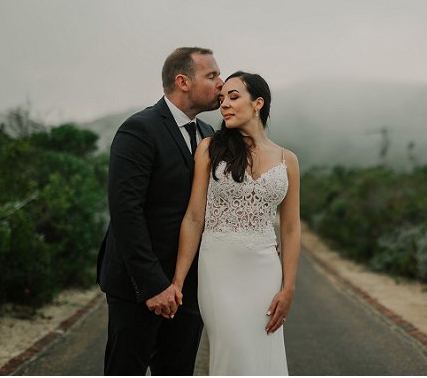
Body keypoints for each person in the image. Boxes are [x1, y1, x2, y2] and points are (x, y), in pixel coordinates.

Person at [96, 47, 224, 375]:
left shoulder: (208, 136)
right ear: (183, 81)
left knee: (178, 370)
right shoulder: (139, 130)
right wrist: (153, 284)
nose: (220, 84)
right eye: (211, 76)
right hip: (139, 286)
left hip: (188, 286)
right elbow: (126, 212)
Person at [172, 71, 301, 375]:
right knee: (235, 350)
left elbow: (291, 228)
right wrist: (178, 279)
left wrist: (289, 287)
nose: (224, 105)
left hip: (265, 271)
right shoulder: (209, 148)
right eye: (222, 99)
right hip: (219, 268)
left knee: (261, 352)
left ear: (258, 103)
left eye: (233, 97)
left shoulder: (288, 160)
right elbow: (193, 217)